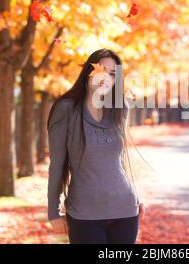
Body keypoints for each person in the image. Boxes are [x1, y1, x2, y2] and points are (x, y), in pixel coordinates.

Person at [47, 48, 146, 244]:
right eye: (101, 71)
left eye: (112, 74)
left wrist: (136, 196)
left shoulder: (120, 108)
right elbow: (56, 164)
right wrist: (53, 212)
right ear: (88, 72)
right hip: (84, 213)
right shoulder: (65, 109)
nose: (106, 78)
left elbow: (120, 159)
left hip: (125, 210)